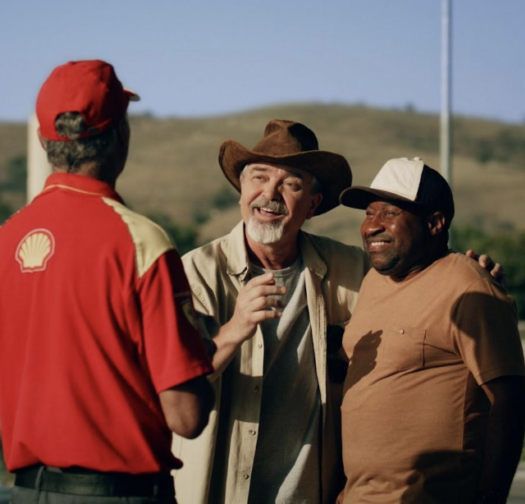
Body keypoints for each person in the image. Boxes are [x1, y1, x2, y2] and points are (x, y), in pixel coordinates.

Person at [172, 121, 504, 504]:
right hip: (218, 489)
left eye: (292, 183)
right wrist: (235, 328)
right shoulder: (192, 273)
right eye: (258, 178)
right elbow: (170, 391)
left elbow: (419, 273)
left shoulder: (354, 271)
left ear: (313, 204)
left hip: (313, 493)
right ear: (241, 191)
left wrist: (475, 273)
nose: (270, 194)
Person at [0, 60, 214, 504]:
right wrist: (204, 350)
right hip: (120, 494)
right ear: (121, 135)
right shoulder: (141, 243)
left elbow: (1, 413)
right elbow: (187, 415)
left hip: (28, 493)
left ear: (45, 142)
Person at [337, 157, 525, 504]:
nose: (371, 227)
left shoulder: (469, 288)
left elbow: (510, 399)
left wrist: (491, 496)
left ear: (435, 223)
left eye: (390, 214)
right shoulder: (371, 282)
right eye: (369, 213)